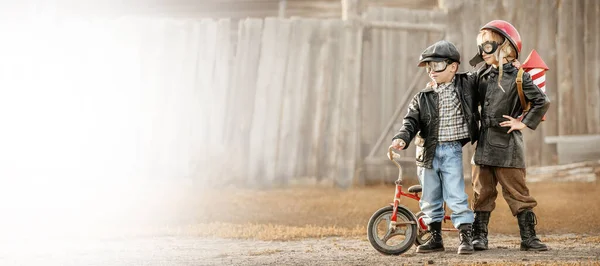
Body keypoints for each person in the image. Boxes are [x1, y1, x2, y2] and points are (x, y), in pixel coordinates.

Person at [391, 40, 479, 255]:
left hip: (451, 151)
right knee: (430, 196)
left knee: (456, 194)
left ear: (453, 67)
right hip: (426, 153)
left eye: (437, 65)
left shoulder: (466, 85)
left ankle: (465, 236)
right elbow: (410, 121)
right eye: (428, 67)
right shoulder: (422, 97)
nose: (432, 71)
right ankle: (435, 237)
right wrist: (402, 138)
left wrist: (491, 51)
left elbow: (484, 71)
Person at [468, 20, 550, 252]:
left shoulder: (519, 77)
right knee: (482, 191)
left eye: (487, 46)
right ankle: (479, 236)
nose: (482, 52)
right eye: (480, 46)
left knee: (517, 192)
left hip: (508, 145)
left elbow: (542, 101)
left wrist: (522, 122)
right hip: (484, 144)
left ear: (505, 47)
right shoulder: (481, 75)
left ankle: (529, 237)